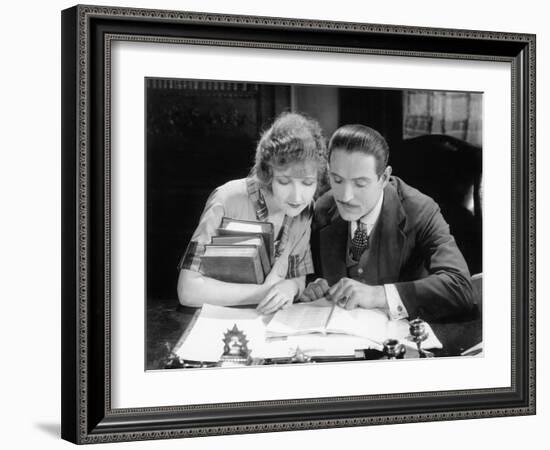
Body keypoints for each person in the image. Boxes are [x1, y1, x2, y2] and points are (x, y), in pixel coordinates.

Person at [300, 124, 474, 321]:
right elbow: (308, 274)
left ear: (383, 178)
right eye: (338, 180)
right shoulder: (323, 208)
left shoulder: (420, 210)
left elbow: (460, 288)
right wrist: (312, 286)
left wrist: (378, 294)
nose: (345, 196)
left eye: (360, 183)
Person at [177, 112, 328, 315]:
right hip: (215, 324)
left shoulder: (304, 209)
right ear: (267, 173)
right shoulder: (227, 198)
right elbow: (187, 290)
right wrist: (264, 292)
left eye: (308, 183)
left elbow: (297, 275)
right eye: (284, 181)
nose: (297, 196)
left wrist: (290, 287)